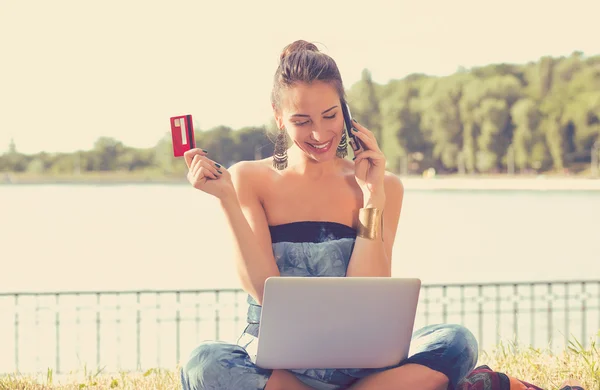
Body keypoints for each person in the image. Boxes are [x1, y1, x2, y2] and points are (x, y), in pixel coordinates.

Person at [179, 40, 478, 390]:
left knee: (457, 342)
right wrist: (227, 201)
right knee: (204, 363)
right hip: (278, 369)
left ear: (346, 112)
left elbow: (369, 292)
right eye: (302, 121)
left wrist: (371, 197)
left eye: (330, 116)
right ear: (278, 116)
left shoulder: (385, 187)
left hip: (359, 363)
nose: (320, 134)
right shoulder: (248, 178)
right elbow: (262, 290)